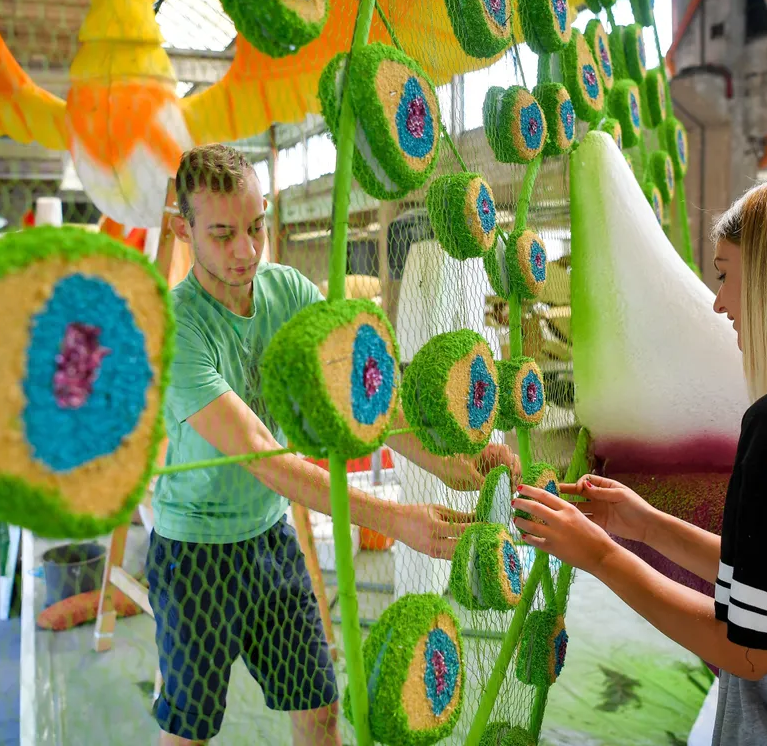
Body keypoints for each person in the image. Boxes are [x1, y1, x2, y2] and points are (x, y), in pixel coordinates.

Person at [511, 168, 767, 745]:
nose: (720, 305)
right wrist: (646, 525)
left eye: (726, 276)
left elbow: (748, 649)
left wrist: (599, 554)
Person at [148, 143, 522, 746]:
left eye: (255, 227)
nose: (245, 250)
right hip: (195, 553)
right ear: (182, 230)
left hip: (269, 539)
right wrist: (395, 519)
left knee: (320, 709)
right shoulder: (176, 326)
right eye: (222, 234)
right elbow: (264, 456)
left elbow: (368, 401)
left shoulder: (288, 292)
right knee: (190, 731)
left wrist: (453, 461)